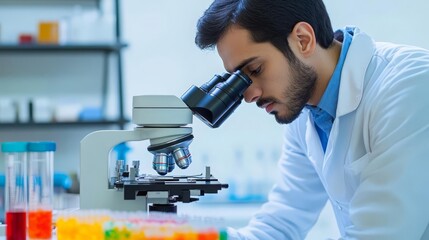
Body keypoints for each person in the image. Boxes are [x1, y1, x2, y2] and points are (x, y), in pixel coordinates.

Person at [194, 0, 429, 239]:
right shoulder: (305, 109)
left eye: (255, 70)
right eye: (238, 80)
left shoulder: (410, 87)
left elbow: (377, 234)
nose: (249, 95)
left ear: (303, 40)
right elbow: (280, 225)